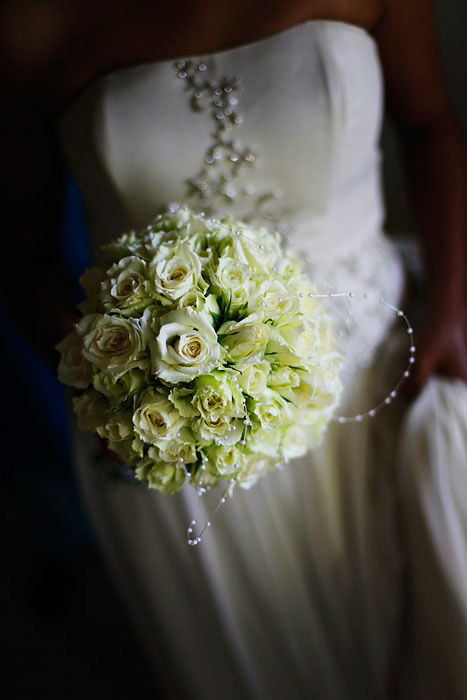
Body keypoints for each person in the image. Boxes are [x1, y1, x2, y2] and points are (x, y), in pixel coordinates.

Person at [2, 1, 467, 697]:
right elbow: (21, 258)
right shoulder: (28, 25)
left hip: (388, 365)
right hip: (177, 441)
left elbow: (429, 126)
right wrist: (111, 393)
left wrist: (453, 315)